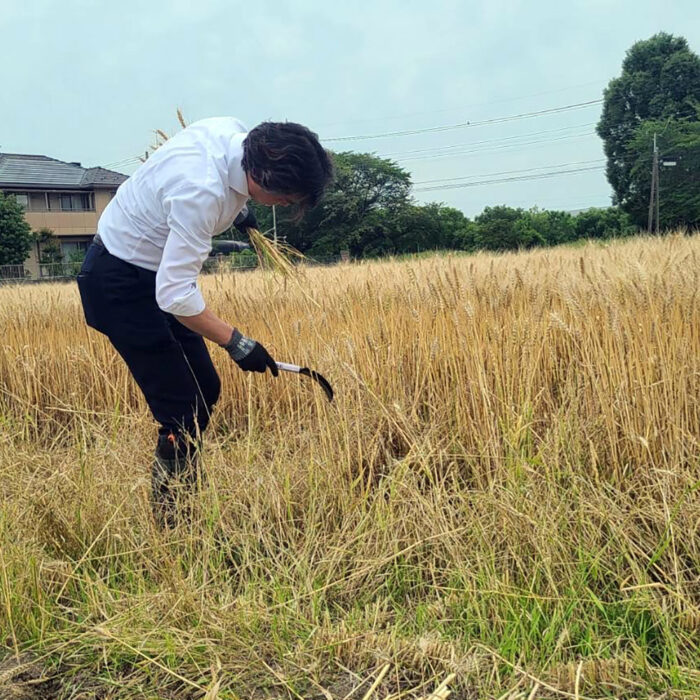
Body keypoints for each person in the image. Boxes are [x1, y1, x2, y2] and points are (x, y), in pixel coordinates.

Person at [77, 117, 333, 528]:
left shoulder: (230, 131)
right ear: (260, 176)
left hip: (152, 270)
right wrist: (237, 343)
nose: (286, 206)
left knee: (205, 389)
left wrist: (243, 210)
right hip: (119, 283)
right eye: (286, 199)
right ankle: (173, 521)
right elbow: (175, 296)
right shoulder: (201, 192)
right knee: (180, 407)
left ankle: (184, 491)